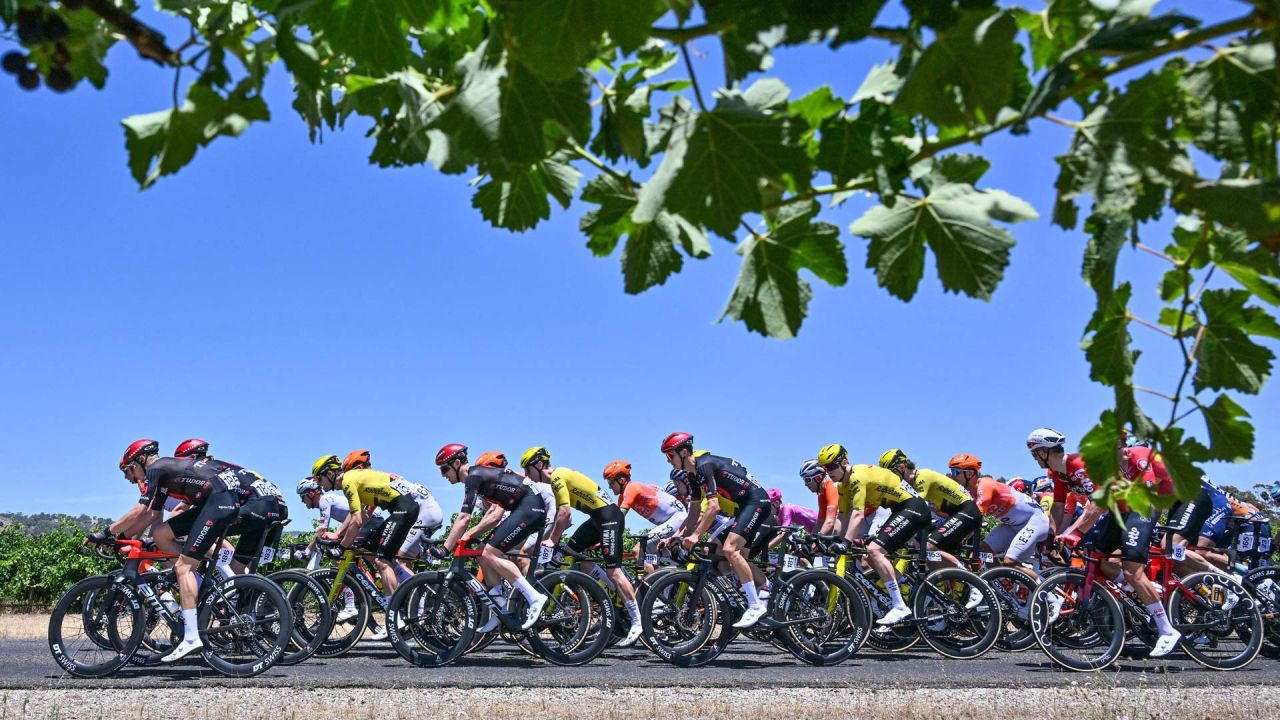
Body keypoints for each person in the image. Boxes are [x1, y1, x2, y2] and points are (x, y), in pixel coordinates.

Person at [98, 441, 262, 662]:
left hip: (219, 503)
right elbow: (150, 516)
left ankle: (192, 637)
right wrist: (122, 539)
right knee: (161, 533)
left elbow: (139, 510)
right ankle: (198, 578)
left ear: (141, 460)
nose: (129, 477)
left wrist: (104, 533)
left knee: (182, 567)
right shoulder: (165, 475)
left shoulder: (156, 469)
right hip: (218, 502)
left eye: (128, 469)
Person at [1028, 427, 1181, 657]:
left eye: (1034, 453)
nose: (1034, 458)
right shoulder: (1059, 475)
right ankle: (1131, 586)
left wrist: (1075, 532)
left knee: (1132, 570)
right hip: (1117, 512)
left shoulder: (1079, 466)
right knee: (1090, 554)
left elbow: (1098, 502)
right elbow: (1058, 509)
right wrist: (1051, 536)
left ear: (1044, 452)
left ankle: (1167, 630)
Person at [522, 447, 643, 646]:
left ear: (539, 465)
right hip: (596, 520)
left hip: (610, 518)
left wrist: (552, 540)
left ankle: (637, 623)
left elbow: (565, 514)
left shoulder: (558, 476)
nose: (528, 476)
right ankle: (608, 589)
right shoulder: (552, 482)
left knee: (615, 571)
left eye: (528, 470)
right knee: (570, 553)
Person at [661, 432, 772, 628]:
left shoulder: (704, 466)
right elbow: (694, 511)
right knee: (737, 559)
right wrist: (678, 536)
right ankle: (766, 590)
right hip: (744, 505)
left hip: (756, 501)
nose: (668, 461)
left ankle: (756, 606)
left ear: (684, 451)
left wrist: (695, 535)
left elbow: (713, 508)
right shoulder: (692, 475)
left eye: (670, 455)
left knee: (730, 549)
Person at [436, 443, 548, 630]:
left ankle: (534, 597)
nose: (443, 475)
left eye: (444, 469)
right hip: (525, 507)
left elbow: (464, 518)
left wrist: (445, 548)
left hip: (530, 508)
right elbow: (494, 516)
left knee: (490, 553)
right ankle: (501, 609)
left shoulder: (474, 476)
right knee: (482, 552)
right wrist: (469, 537)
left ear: (456, 463)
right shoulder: (480, 477)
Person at [820, 443, 929, 626]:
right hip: (898, 510)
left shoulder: (857, 477)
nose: (828, 471)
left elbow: (857, 514)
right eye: (824, 468)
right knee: (871, 555)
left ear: (844, 462)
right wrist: (831, 540)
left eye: (831, 466)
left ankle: (899, 606)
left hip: (912, 508)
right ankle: (901, 592)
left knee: (874, 550)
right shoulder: (843, 486)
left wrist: (845, 542)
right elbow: (843, 517)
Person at [313, 450, 443, 597]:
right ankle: (402, 596)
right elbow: (362, 514)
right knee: (368, 548)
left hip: (406, 509)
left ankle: (396, 610)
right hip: (403, 509)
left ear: (329, 474)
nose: (319, 485)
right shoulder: (356, 479)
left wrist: (341, 548)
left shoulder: (348, 481)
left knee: (383, 561)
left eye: (319, 479)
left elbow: (357, 521)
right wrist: (338, 534)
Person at [880, 448, 980, 573]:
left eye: (891, 473)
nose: (890, 478)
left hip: (967, 511)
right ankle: (939, 585)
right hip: (956, 514)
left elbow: (915, 509)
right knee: (929, 556)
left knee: (927, 547)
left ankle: (970, 577)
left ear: (901, 467)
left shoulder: (923, 476)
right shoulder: (909, 484)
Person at [604, 460, 687, 572]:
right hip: (671, 520)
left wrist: (603, 538)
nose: (609, 487)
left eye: (611, 483)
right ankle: (666, 583)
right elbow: (617, 521)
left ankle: (655, 588)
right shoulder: (623, 496)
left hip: (678, 518)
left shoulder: (632, 488)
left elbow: (617, 519)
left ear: (621, 480)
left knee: (638, 550)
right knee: (653, 559)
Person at [799, 460, 841, 536]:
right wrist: (809, 542)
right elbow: (820, 522)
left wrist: (817, 540)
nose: (805, 484)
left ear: (818, 478)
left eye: (807, 480)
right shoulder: (821, 494)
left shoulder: (831, 486)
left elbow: (830, 522)